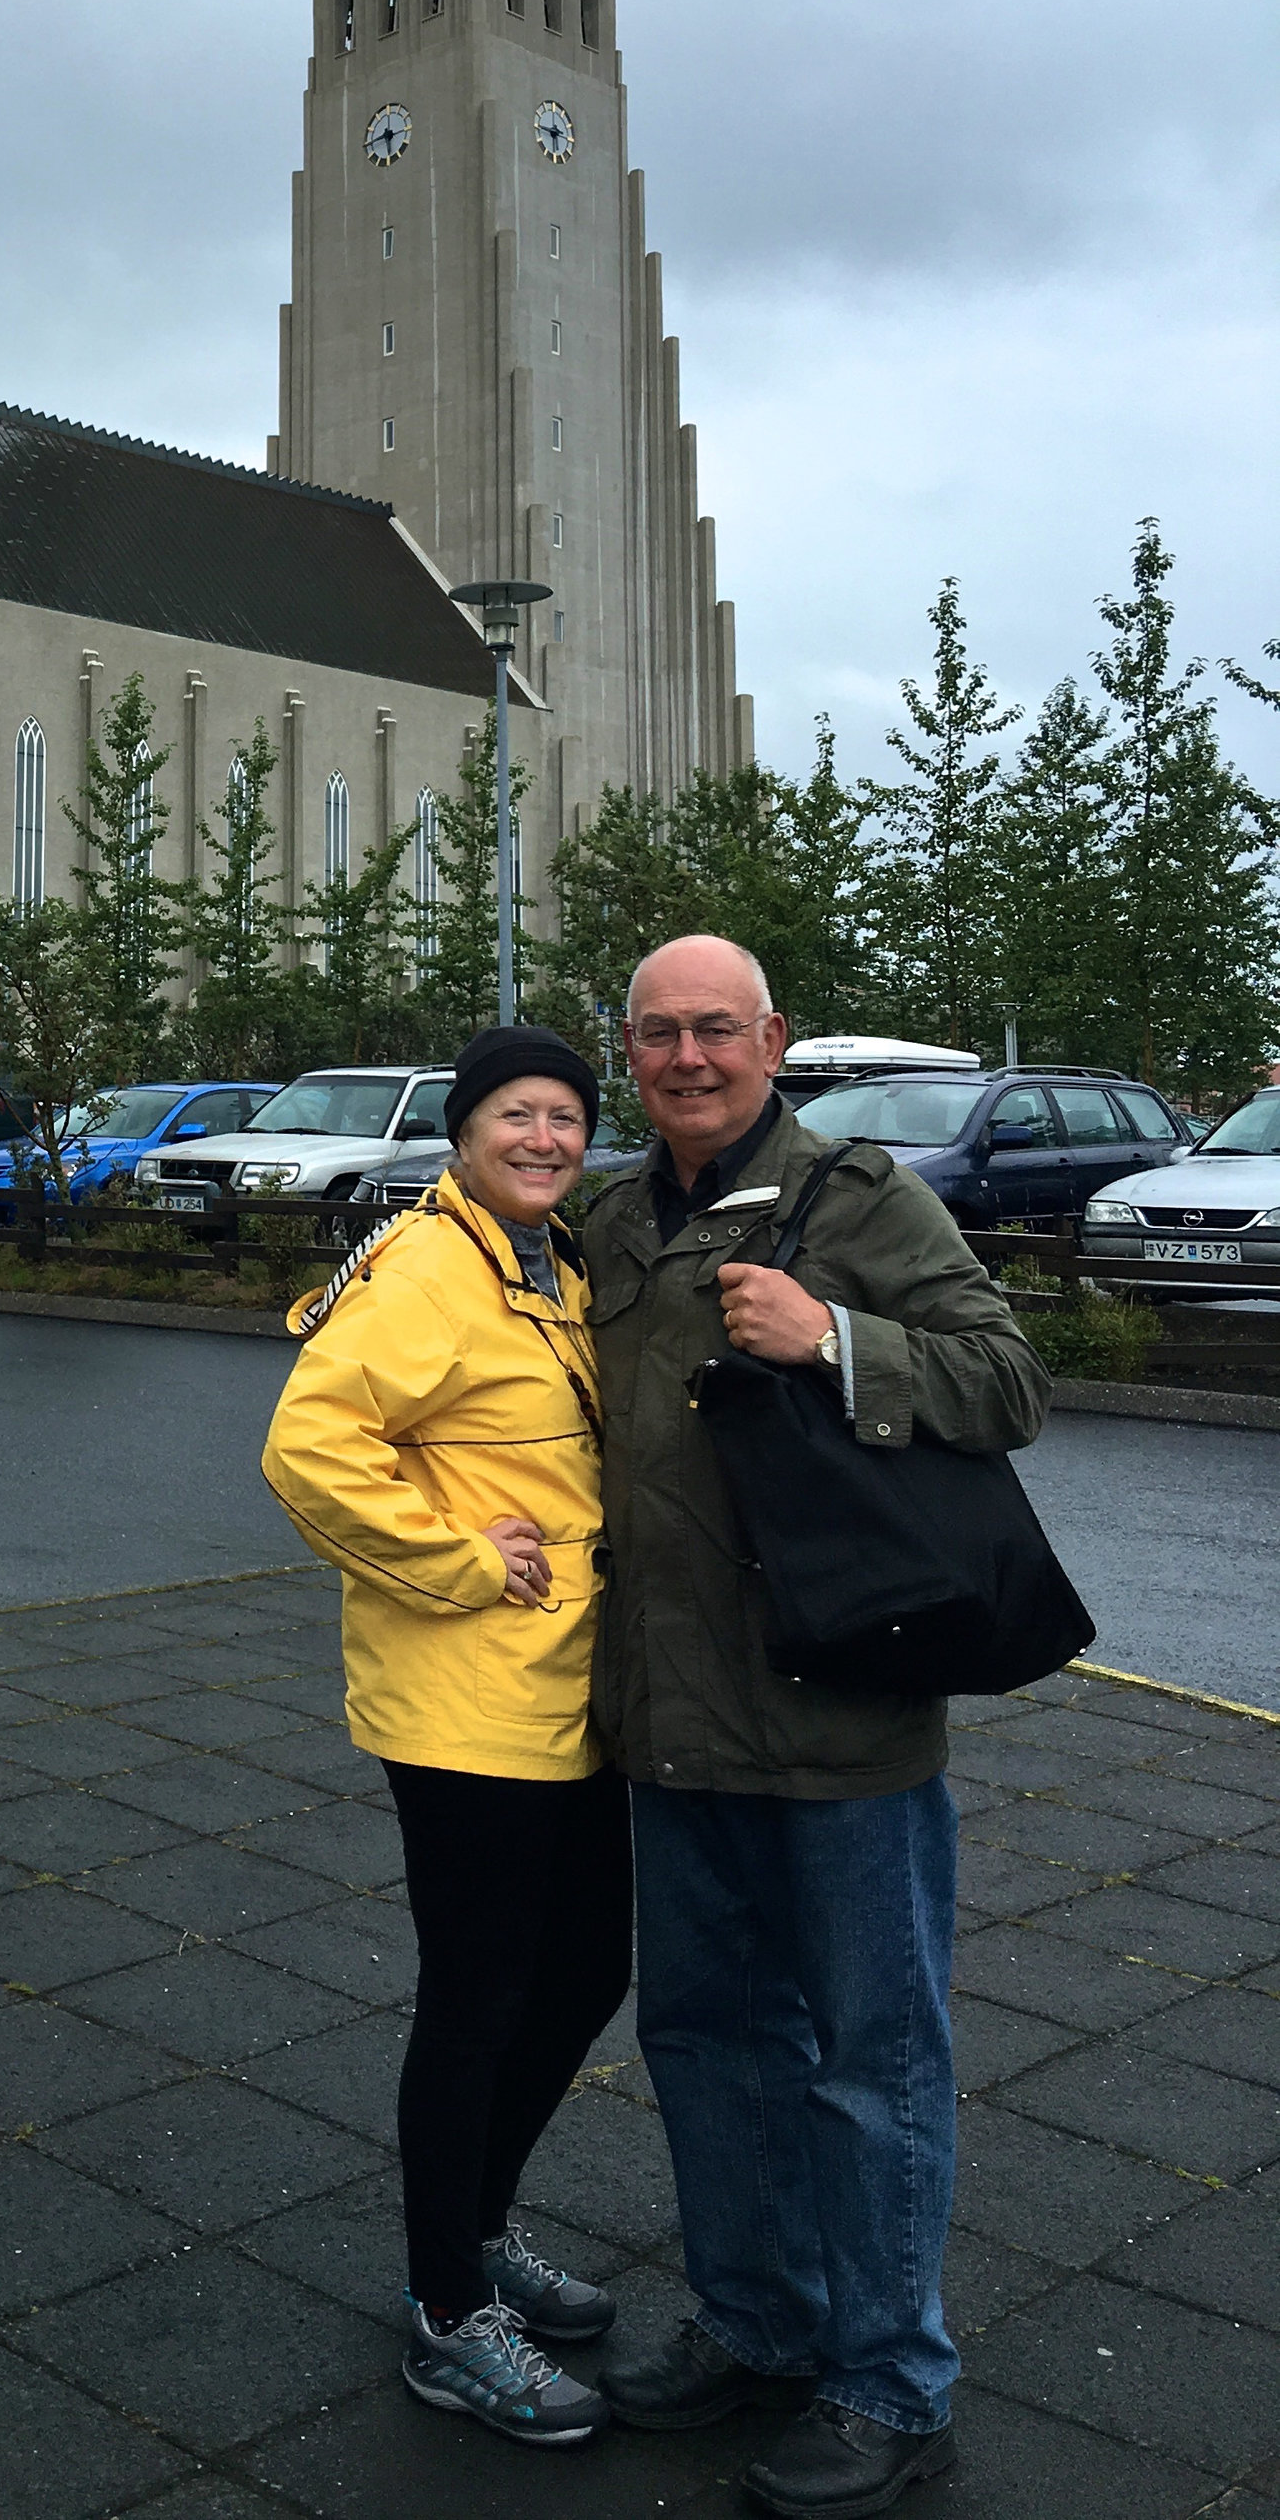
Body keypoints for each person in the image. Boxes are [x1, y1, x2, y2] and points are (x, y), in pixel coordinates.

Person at [586, 935, 1048, 2519]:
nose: (690, 1055)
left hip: (841, 1715)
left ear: (773, 1036)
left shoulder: (859, 1199)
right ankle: (759, 2321)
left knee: (874, 2059)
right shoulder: (601, 1213)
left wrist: (835, 1339)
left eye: (718, 1027)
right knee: (707, 2042)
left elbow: (1008, 1376)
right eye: (660, 1032)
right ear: (628, 1050)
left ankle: (891, 2383)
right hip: (668, 1719)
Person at [262, 1024, 629, 2452]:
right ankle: (443, 2308)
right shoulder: (430, 1263)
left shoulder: (542, 1260)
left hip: (568, 1687)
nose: (545, 1138)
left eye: (566, 1118)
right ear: (465, 1129)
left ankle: (477, 2231)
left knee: (587, 1968)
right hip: (468, 1692)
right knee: (480, 1994)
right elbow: (311, 1447)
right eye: (516, 1115)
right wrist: (463, 1558)